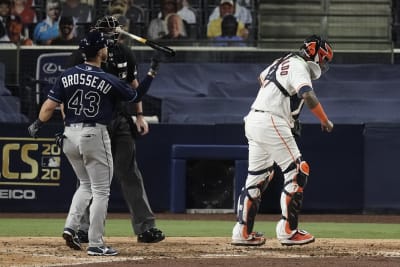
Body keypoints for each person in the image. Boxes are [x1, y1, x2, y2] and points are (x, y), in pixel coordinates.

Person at [27, 30, 154, 256]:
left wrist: (37, 124)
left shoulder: (66, 75)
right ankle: (96, 243)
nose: (107, 48)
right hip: (93, 134)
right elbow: (135, 95)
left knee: (85, 185)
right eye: (104, 46)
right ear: (99, 51)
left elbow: (48, 106)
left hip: (69, 136)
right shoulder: (107, 77)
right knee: (101, 190)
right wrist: (152, 73)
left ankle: (71, 227)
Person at [66, 15, 165, 244]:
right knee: (88, 177)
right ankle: (81, 228)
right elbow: (67, 91)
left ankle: (145, 227)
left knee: (129, 171)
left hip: (120, 119)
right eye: (111, 32)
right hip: (92, 121)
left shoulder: (125, 53)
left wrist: (139, 115)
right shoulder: (80, 55)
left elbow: (133, 87)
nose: (115, 36)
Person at [231, 35, 334, 246]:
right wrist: (325, 120)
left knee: (258, 177)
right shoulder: (299, 66)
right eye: (323, 59)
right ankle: (288, 230)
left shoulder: (281, 61)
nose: (323, 64)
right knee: (297, 170)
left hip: (253, 119)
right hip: (272, 120)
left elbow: (262, 79)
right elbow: (308, 95)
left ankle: (242, 232)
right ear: (315, 54)